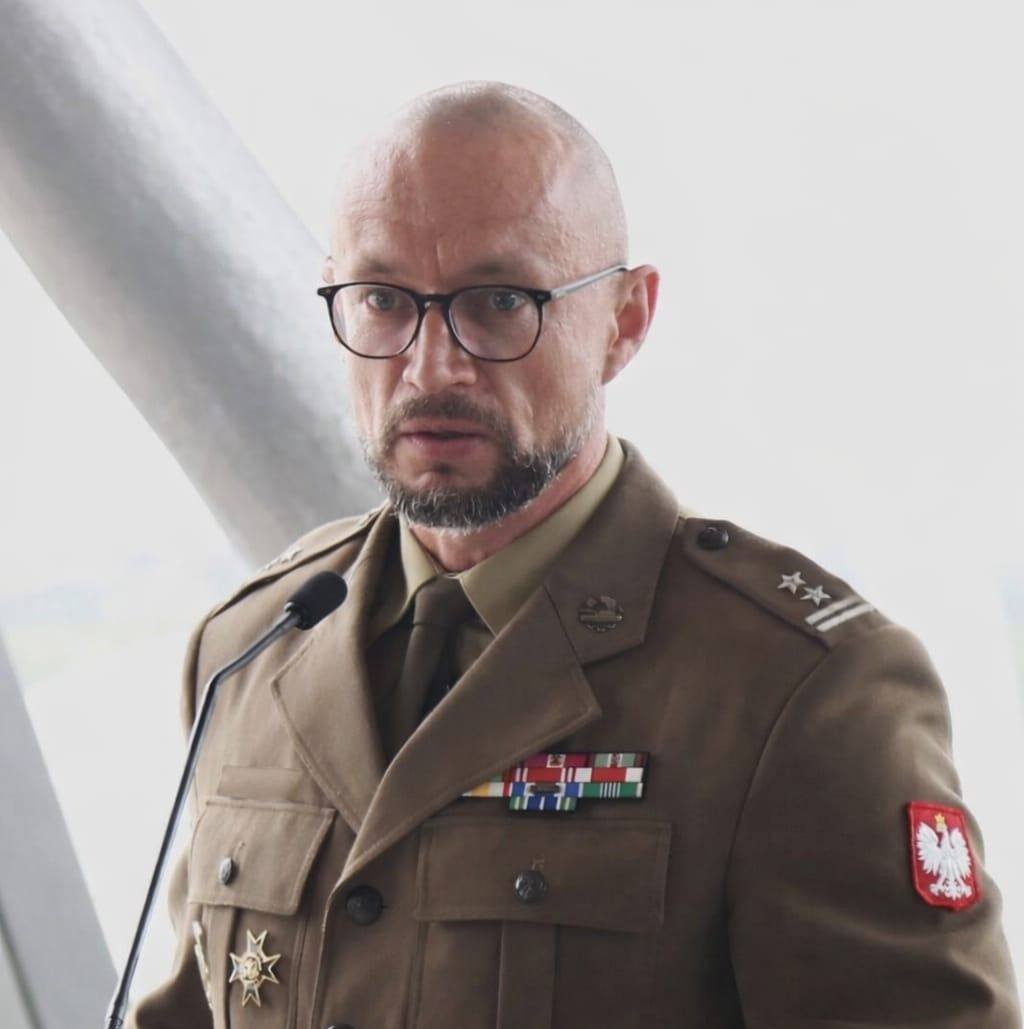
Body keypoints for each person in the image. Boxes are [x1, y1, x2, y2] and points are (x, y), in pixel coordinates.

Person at [130, 81, 1021, 1028]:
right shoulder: (248, 649)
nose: (430, 365)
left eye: (500, 302)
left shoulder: (795, 690)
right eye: (384, 300)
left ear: (625, 322)